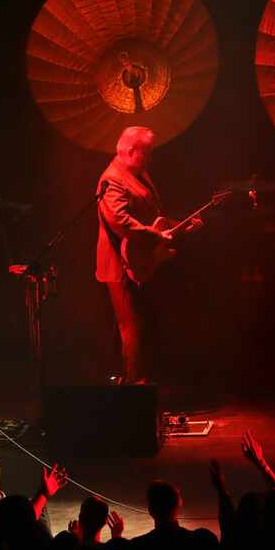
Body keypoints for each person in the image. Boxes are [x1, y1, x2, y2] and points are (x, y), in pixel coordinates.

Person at [95, 126, 173, 384]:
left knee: (143, 327)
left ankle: (142, 384)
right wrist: (156, 236)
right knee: (132, 328)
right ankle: (133, 389)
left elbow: (148, 211)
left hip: (140, 261)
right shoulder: (112, 179)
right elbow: (120, 221)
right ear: (130, 151)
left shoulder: (138, 172)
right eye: (147, 152)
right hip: (120, 265)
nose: (150, 158)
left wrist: (172, 225)